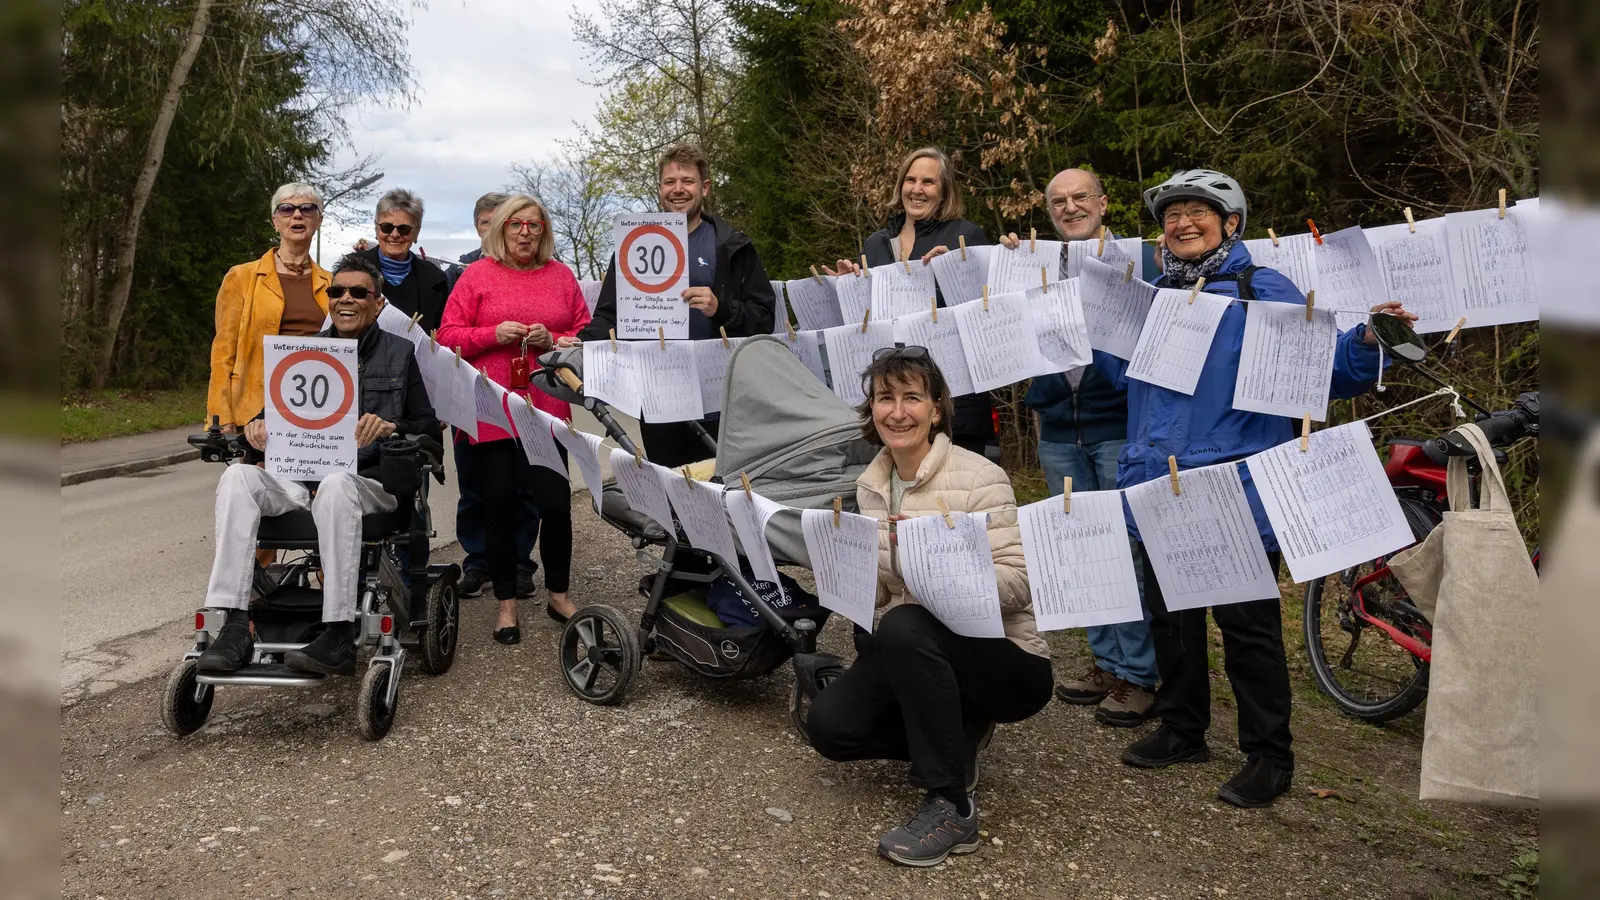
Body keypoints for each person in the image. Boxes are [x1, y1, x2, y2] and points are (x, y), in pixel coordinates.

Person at [1096, 169, 1418, 808]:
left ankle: (1269, 755)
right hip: (1160, 482)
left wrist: (1369, 337)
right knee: (1172, 619)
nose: (1182, 223)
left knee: (1247, 629)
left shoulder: (1259, 288)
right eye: (1172, 215)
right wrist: (1092, 321)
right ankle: (1183, 727)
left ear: (1231, 223)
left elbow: (1324, 368)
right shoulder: (1155, 295)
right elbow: (1120, 377)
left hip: (1235, 483)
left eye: (1198, 212)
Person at [796, 348, 1053, 868]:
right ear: (870, 410)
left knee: (905, 623)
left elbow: (1023, 582)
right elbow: (880, 596)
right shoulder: (871, 485)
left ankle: (951, 805)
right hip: (917, 649)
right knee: (829, 726)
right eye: (884, 398)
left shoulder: (980, 476)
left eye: (912, 397)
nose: (897, 411)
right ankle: (957, 735)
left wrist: (941, 569)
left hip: (1007, 659)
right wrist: (843, 572)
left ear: (936, 409)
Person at [197, 253, 438, 676]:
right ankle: (234, 623)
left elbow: (428, 431)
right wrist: (257, 427)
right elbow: (275, 414)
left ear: (378, 302)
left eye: (358, 292)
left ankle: (339, 630)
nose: (345, 299)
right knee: (238, 477)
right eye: (337, 291)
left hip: (367, 483)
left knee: (337, 485)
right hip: (301, 479)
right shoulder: (303, 352)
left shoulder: (401, 354)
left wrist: (391, 427)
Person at [1006, 169, 1158, 726]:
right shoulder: (1034, 264)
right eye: (1058, 202)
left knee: (1125, 550)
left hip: (1117, 425)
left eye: (1080, 198)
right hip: (1056, 430)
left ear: (1103, 202)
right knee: (1079, 546)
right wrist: (1007, 263)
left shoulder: (1139, 259)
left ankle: (1140, 675)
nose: (1070, 208)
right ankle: (1106, 661)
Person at [439, 194, 591, 642]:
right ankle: (506, 605)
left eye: (534, 225)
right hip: (492, 410)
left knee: (554, 505)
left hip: (547, 409)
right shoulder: (477, 276)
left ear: (544, 231)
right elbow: (447, 337)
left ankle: (558, 595)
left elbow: (583, 335)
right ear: (499, 228)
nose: (525, 232)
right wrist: (492, 333)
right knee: (500, 506)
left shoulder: (561, 276)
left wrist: (556, 338)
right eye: (516, 225)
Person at [579, 143, 776, 467]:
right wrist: (583, 341)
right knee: (672, 491)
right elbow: (611, 315)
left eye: (687, 180)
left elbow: (765, 318)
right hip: (658, 394)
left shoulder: (732, 245)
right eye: (670, 182)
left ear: (705, 187)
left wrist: (721, 308)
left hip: (722, 397)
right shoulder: (634, 245)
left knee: (722, 493)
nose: (678, 189)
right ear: (660, 188)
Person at [823, 147, 995, 456]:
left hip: (954, 401)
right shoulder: (875, 243)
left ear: (944, 191)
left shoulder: (965, 235)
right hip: (895, 402)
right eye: (910, 180)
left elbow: (988, 314)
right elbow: (866, 324)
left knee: (956, 497)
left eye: (928, 182)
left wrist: (959, 273)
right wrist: (849, 288)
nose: (917, 189)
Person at [444, 191, 538, 599]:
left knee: (523, 487)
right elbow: (445, 331)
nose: (502, 229)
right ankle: (478, 559)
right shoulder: (459, 271)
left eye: (523, 223)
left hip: (526, 398)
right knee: (475, 485)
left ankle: (519, 563)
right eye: (489, 221)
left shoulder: (540, 271)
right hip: (471, 394)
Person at [207, 183, 331, 431]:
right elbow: (223, 352)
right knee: (257, 471)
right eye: (286, 209)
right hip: (257, 412)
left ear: (318, 220)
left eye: (307, 209)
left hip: (319, 407)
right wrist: (221, 416)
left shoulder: (333, 283)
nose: (297, 215)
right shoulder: (241, 277)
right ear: (275, 221)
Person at [358, 188, 451, 333]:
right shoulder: (352, 268)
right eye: (387, 227)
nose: (394, 235)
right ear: (377, 229)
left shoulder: (436, 279)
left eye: (404, 229)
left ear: (416, 233)